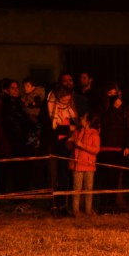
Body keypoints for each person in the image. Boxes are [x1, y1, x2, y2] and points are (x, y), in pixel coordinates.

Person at [41, 83, 79, 217]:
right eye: (63, 100)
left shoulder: (70, 108)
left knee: (64, 175)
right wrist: (68, 129)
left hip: (65, 145)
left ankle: (63, 204)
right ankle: (53, 205)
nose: (66, 103)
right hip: (53, 145)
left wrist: (72, 131)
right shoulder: (48, 108)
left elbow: (74, 122)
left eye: (68, 100)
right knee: (53, 176)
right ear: (58, 98)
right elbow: (50, 129)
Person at [97, 82, 129, 214]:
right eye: (109, 94)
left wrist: (127, 145)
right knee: (107, 179)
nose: (112, 96)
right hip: (106, 148)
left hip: (119, 148)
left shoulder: (123, 109)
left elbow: (126, 127)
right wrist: (113, 108)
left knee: (115, 180)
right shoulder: (102, 109)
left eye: (114, 93)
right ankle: (103, 206)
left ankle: (111, 205)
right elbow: (103, 123)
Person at [67, 111, 100, 217]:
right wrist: (70, 142)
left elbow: (96, 150)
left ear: (88, 122)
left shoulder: (94, 135)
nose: (81, 118)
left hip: (89, 165)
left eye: (84, 117)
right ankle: (75, 210)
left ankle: (88, 210)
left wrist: (82, 145)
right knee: (76, 188)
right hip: (77, 164)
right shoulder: (77, 132)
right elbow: (69, 147)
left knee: (88, 188)